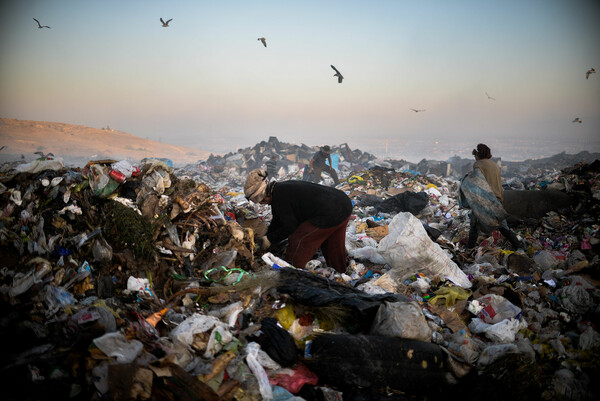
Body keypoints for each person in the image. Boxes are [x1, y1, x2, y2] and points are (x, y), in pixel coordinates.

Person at [244, 169, 352, 273]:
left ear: (265, 196)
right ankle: (340, 274)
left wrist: (269, 239)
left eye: (261, 202)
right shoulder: (280, 189)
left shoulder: (280, 196)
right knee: (333, 245)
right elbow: (278, 220)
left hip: (330, 212)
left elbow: (290, 226)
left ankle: (291, 272)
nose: (263, 204)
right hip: (343, 204)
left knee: (299, 239)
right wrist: (268, 237)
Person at [465, 143, 522, 249]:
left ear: (478, 155)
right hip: (497, 199)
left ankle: (468, 249)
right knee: (503, 227)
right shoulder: (495, 165)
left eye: (475, 156)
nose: (475, 158)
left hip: (485, 199)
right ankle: (519, 246)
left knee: (474, 227)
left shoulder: (478, 165)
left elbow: (478, 182)